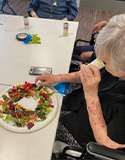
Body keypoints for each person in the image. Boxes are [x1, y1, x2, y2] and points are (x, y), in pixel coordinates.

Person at [35, 13, 125, 150]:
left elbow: (108, 145)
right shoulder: (115, 59)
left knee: (38, 130)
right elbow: (90, 70)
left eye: (105, 62)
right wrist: (57, 78)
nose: (100, 62)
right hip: (75, 103)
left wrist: (91, 94)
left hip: (82, 135)